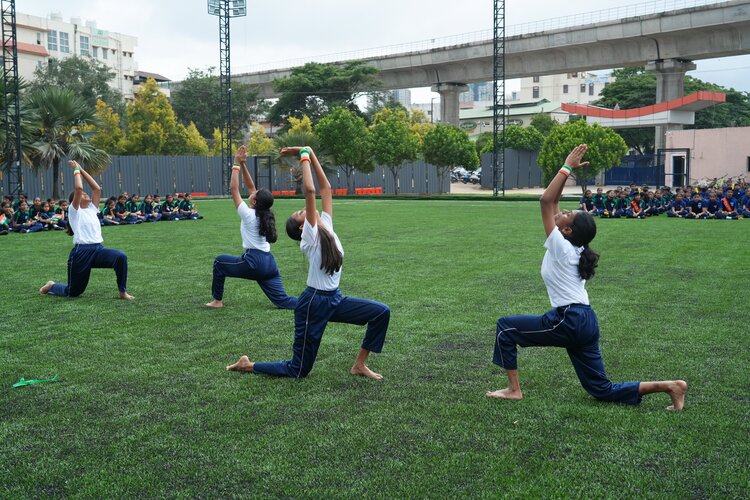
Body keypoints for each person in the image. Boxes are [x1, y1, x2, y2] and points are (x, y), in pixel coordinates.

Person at [487, 144, 687, 410]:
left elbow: (545, 201)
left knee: (506, 328)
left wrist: (566, 167)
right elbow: (553, 202)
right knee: (600, 389)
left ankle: (514, 390)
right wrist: (567, 171)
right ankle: (671, 386)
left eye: (568, 214)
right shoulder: (575, 247)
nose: (562, 212)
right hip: (586, 321)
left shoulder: (561, 247)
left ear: (567, 230)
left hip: (569, 320)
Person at [226, 146, 390, 379]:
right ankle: (248, 365)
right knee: (299, 369)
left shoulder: (326, 225)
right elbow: (311, 191)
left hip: (334, 298)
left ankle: (359, 365)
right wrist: (303, 156)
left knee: (380, 313)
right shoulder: (310, 237)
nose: (305, 209)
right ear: (302, 226)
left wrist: (311, 153)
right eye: (301, 213)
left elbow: (325, 189)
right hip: (313, 303)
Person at [206, 145, 297, 310]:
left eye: (254, 194)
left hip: (253, 262)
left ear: (255, 201)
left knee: (219, 261)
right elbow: (250, 186)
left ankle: (217, 301)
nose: (252, 192)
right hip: (269, 264)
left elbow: (234, 189)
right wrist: (243, 164)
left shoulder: (248, 214)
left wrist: (235, 163)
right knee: (283, 301)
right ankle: (312, 304)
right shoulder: (264, 212)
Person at [39, 160, 133, 300]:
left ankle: (122, 291)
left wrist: (81, 169)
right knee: (74, 292)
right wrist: (75, 170)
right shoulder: (74, 211)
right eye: (83, 195)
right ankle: (52, 285)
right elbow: (78, 188)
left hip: (98, 249)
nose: (86, 194)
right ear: (75, 200)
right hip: (81, 253)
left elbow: (97, 189)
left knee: (120, 257)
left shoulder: (92, 209)